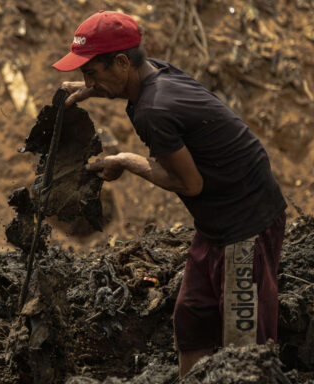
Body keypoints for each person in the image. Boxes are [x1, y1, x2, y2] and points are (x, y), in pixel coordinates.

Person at [52, 10, 287, 378]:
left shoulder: (154, 110)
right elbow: (124, 83)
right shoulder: (156, 73)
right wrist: (94, 89)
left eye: (91, 73)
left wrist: (127, 160)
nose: (86, 81)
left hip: (246, 225)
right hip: (215, 223)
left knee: (245, 349)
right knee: (191, 320)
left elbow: (190, 184)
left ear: (121, 62)